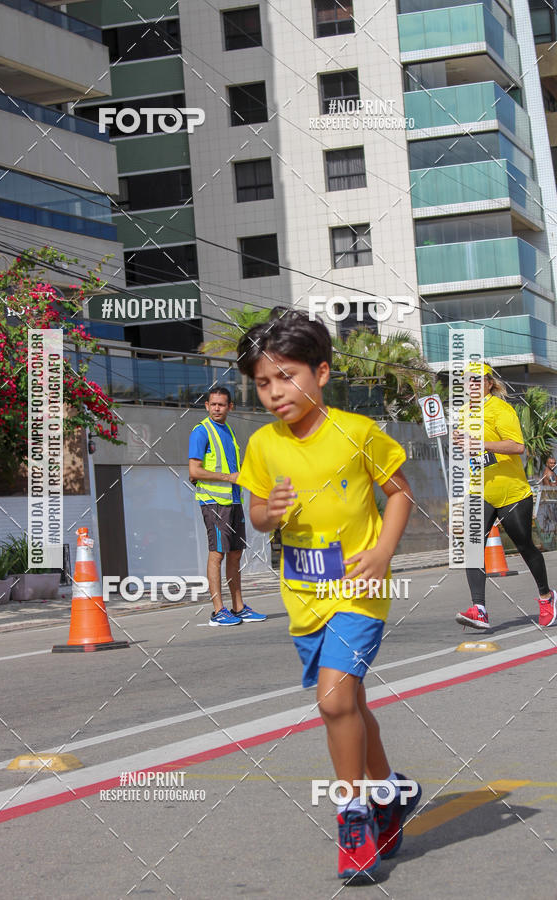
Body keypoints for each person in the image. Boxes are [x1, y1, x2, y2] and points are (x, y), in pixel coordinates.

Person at [236, 308, 421, 880]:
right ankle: (391, 792)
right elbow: (257, 515)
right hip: (302, 595)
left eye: (285, 376)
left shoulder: (356, 433)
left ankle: (353, 814)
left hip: (359, 590)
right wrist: (270, 511)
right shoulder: (263, 444)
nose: (273, 392)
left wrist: (383, 552)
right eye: (262, 383)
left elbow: (400, 493)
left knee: (335, 701)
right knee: (352, 704)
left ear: (320, 372)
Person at [454, 363, 557, 630]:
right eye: (468, 380)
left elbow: (517, 446)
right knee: (472, 547)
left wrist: (480, 444)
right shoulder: (464, 412)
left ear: (489, 383)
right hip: (479, 490)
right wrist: (461, 442)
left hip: (512, 492)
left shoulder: (501, 409)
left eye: (478, 379)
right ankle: (479, 609)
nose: (472, 384)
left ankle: (546, 597)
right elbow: (471, 451)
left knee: (525, 546)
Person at [188, 386, 267, 626]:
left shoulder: (229, 431)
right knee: (217, 553)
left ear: (230, 407)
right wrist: (228, 477)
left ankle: (238, 607)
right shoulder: (201, 431)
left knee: (236, 553)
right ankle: (218, 611)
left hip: (233, 500)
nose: (216, 408)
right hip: (214, 502)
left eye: (221, 404)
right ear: (206, 406)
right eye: (213, 404)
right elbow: (194, 471)